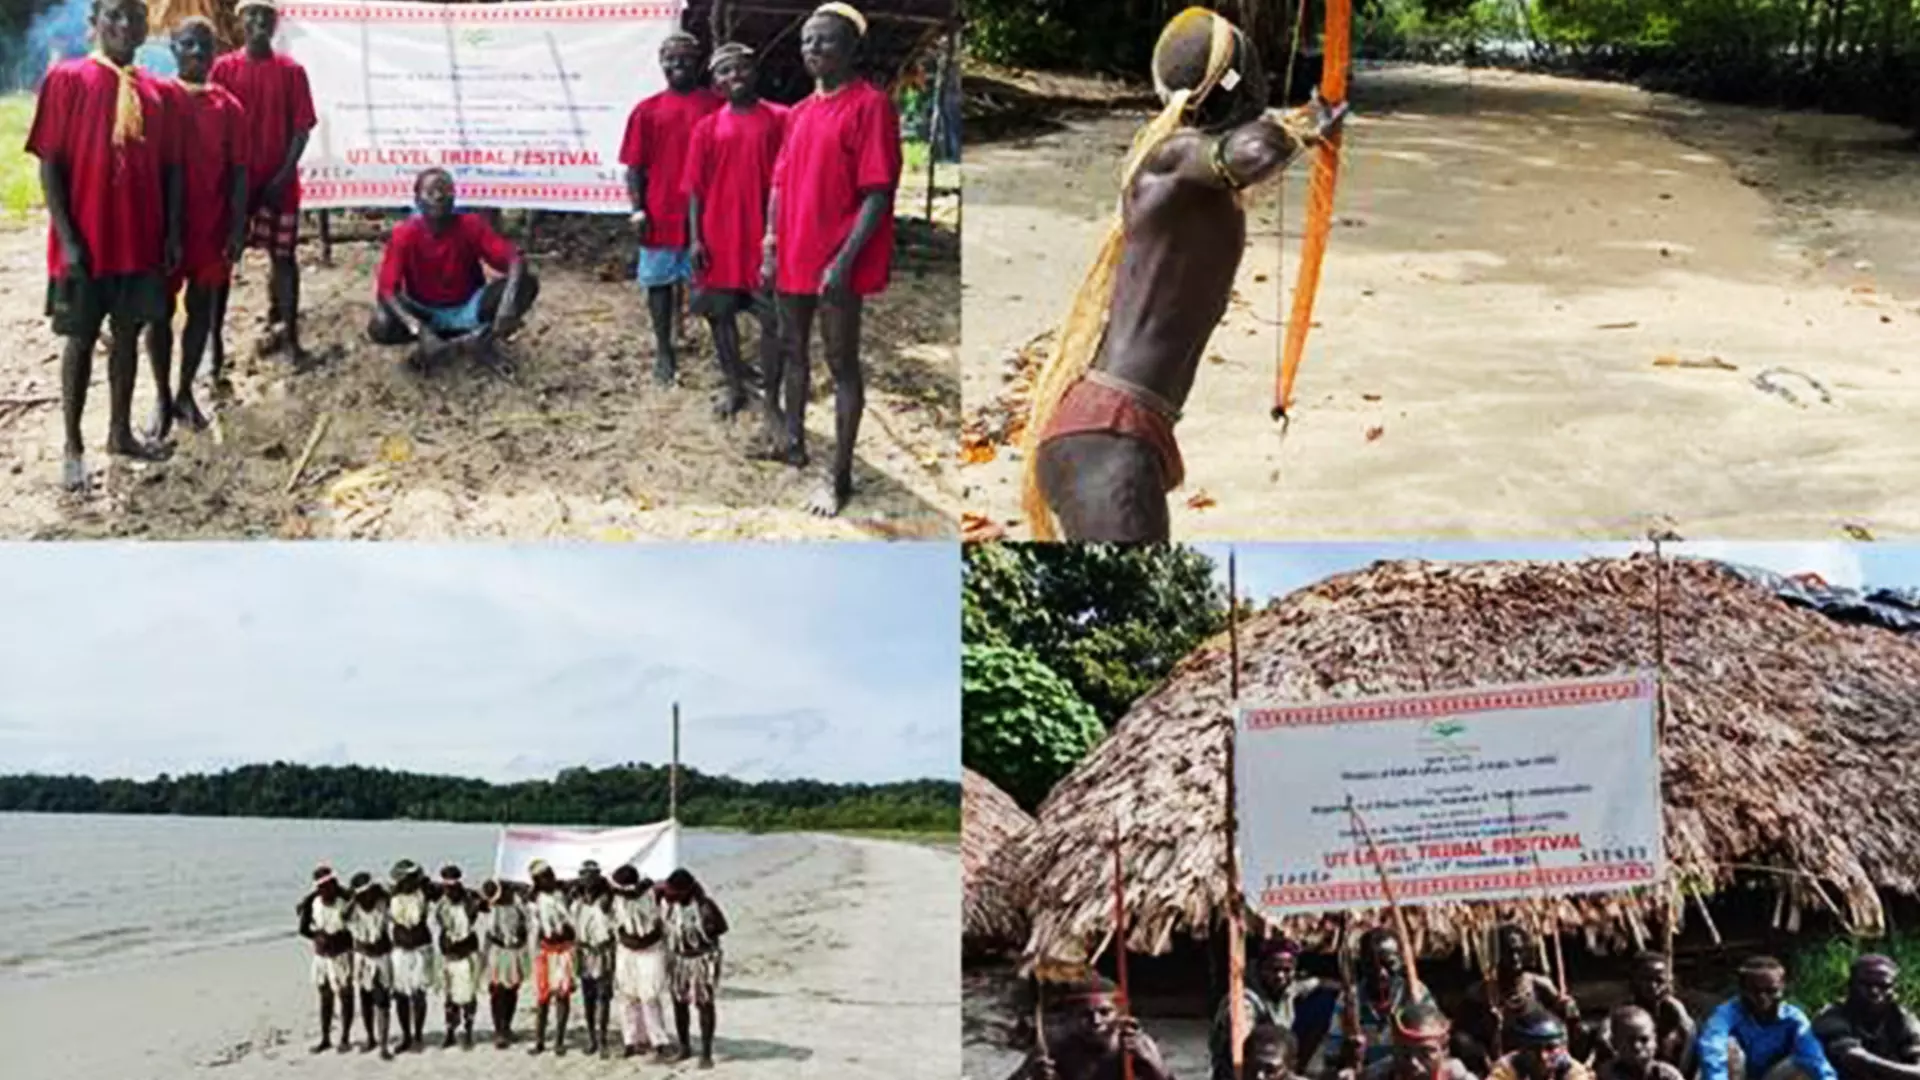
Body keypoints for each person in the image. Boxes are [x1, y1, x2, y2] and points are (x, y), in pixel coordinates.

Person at [1017, 6, 1347, 541]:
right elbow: (1255, 149)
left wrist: (1302, 123)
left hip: (1112, 435)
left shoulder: (1185, 168)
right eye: (1251, 68)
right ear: (1236, 79)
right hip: (1108, 440)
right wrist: (1304, 129)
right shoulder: (1176, 157)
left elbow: (1244, 150)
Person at [27, 0, 182, 491]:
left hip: (139, 242)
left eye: (134, 17)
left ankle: (119, 433)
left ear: (145, 27)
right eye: (114, 15)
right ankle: (72, 447)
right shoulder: (67, 79)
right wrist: (69, 241)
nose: (124, 25)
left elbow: (172, 170)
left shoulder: (156, 93)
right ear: (94, 23)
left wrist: (172, 233)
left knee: (130, 334)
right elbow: (50, 163)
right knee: (80, 339)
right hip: (87, 244)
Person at [763, 1, 902, 517]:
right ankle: (793, 442)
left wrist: (842, 263)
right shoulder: (798, 113)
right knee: (792, 350)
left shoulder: (870, 106)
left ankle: (838, 475)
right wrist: (771, 244)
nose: (812, 49)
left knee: (841, 363)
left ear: (851, 47)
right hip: (793, 255)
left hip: (836, 261)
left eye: (824, 40)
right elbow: (779, 182)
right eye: (806, 41)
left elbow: (877, 192)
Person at [146, 15, 245, 442]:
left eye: (205, 47)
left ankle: (186, 390)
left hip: (211, 228)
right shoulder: (157, 98)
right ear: (173, 48)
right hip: (163, 230)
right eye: (188, 45)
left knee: (202, 311)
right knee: (159, 314)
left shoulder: (229, 107)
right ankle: (161, 395)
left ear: (216, 52)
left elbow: (239, 173)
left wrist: (238, 227)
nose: (198, 54)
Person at [684, 41, 788, 421]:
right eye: (725, 71)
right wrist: (695, 238)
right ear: (716, 83)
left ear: (754, 70)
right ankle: (734, 385)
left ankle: (773, 396)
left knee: (773, 319)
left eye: (741, 67)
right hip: (719, 237)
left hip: (765, 238)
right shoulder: (706, 128)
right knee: (720, 315)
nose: (735, 76)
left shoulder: (781, 118)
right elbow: (695, 188)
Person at [209, 0, 316, 363]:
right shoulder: (222, 70)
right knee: (221, 262)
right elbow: (212, 126)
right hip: (232, 186)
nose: (258, 22)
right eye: (251, 15)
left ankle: (292, 339)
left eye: (265, 16)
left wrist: (284, 174)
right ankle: (214, 344)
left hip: (279, 182)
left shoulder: (291, 71)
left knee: (283, 257)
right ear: (240, 22)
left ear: (275, 24)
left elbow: (302, 129)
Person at [619, 31, 721, 385]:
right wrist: (637, 210)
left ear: (699, 62)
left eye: (686, 58)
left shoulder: (717, 106)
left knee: (709, 288)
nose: (678, 65)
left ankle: (724, 354)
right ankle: (665, 349)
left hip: (706, 219)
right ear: (662, 64)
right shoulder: (646, 111)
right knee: (658, 285)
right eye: (671, 59)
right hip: (660, 214)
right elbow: (633, 167)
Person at [366, 167, 538, 368]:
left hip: (468, 307)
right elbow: (387, 290)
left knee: (526, 285)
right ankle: (447, 342)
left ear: (454, 196)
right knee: (381, 323)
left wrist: (507, 305)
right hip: (425, 313)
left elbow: (514, 258)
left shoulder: (471, 225)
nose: (439, 196)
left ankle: (478, 342)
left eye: (445, 190)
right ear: (417, 200)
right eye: (430, 192)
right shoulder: (404, 235)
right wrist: (418, 328)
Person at [1004, 973, 1173, 1080]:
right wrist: (1028, 1075)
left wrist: (1155, 1066)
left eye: (1105, 1012)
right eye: (1085, 1014)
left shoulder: (1137, 1046)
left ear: (1120, 1014)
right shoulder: (1053, 1047)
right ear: (1071, 1017)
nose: (1096, 1020)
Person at [1459, 925, 1581, 1073]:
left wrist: (1568, 1009)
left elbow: (1560, 1023)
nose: (1515, 958)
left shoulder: (1539, 985)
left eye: (1519, 952)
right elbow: (1460, 1033)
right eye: (1509, 953)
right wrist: (1480, 1052)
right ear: (1496, 954)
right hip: (1497, 1063)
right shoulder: (1481, 993)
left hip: (1537, 1060)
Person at [1318, 929, 1437, 1074]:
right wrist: (1349, 1053)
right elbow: (1332, 1053)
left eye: (1389, 964)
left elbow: (1434, 1045)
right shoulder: (1350, 999)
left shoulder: (1414, 993)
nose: (1381, 973)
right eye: (1371, 965)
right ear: (1361, 965)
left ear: (1401, 962)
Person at [1697, 957, 1837, 1080]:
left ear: (1783, 989)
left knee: (1804, 1064)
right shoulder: (1727, 1014)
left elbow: (1815, 1059)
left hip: (1772, 1076)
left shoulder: (1793, 1019)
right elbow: (1712, 1049)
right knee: (1729, 1049)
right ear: (1742, 989)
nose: (1763, 998)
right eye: (1755, 991)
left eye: (1771, 991)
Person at [1213, 937, 1324, 1080]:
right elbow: (1244, 1042)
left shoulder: (1285, 990)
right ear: (1261, 968)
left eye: (1286, 970)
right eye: (1274, 969)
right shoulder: (1245, 1001)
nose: (1280, 976)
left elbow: (1309, 984)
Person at [662, 868, 730, 1067]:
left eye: (675, 892)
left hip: (702, 960)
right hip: (679, 960)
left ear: (687, 891)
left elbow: (721, 928)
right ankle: (684, 1047)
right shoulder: (670, 906)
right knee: (679, 1003)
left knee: (704, 1004)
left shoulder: (705, 906)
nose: (670, 895)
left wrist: (703, 934)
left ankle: (706, 1053)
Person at [1813, 955, 1920, 1080]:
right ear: (1850, 986)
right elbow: (1854, 1058)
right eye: (1866, 984)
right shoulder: (1831, 1017)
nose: (1874, 991)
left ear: (1894, 990)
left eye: (1883, 986)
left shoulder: (1902, 1018)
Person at [1597, 954, 1696, 1076]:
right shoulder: (1623, 1008)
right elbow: (1603, 1037)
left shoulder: (1673, 1010)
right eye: (1646, 979)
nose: (1653, 986)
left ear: (1668, 982)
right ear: (1634, 980)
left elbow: (1690, 1037)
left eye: (1659, 981)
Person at [613, 866, 673, 1059]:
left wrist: (645, 886)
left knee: (650, 995)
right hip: (626, 951)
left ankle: (659, 1040)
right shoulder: (615, 896)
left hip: (651, 950)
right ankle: (631, 1040)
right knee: (627, 996)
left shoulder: (654, 893)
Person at [295, 864, 355, 1053]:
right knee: (325, 996)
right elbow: (303, 929)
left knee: (345, 995)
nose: (327, 889)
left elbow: (357, 899)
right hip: (321, 957)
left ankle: (345, 1037)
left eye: (331, 885)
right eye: (323, 887)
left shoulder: (344, 899)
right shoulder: (313, 903)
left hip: (342, 955)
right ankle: (326, 1038)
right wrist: (318, 937)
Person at [527, 859, 578, 1055]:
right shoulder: (535, 899)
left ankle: (559, 1040)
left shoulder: (563, 893)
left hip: (564, 950)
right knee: (542, 998)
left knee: (563, 996)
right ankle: (539, 1041)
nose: (551, 878)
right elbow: (535, 926)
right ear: (538, 881)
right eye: (545, 876)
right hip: (545, 952)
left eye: (551, 874)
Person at [434, 864, 485, 1050]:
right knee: (450, 997)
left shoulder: (470, 899)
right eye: (446, 886)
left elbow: (486, 905)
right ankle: (450, 1032)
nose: (449, 890)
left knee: (469, 995)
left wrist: (484, 896)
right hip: (448, 955)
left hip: (467, 953)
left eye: (452, 886)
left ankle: (469, 1031)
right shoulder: (441, 900)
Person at [1355, 1003, 1476, 1080]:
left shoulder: (1457, 1076)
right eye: (1405, 1053)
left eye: (1425, 1053)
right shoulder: (1379, 1074)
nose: (1413, 1062)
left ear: (1443, 1051)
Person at [386, 859, 433, 1052]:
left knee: (419, 994)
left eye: (411, 879)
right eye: (404, 879)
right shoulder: (389, 895)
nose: (408, 883)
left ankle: (418, 1035)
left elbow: (456, 889)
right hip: (399, 951)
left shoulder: (426, 892)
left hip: (421, 949)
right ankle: (406, 1036)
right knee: (400, 995)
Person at [346, 871, 394, 1058]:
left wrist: (380, 890)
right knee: (365, 999)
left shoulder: (383, 903)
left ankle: (383, 1044)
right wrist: (354, 898)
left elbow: (394, 901)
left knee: (382, 1001)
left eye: (369, 892)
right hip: (362, 959)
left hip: (381, 959)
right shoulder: (354, 907)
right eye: (362, 894)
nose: (367, 897)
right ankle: (371, 1038)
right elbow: (344, 916)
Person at [574, 862, 618, 1056]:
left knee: (603, 997)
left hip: (603, 953)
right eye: (584, 876)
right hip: (584, 953)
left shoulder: (608, 900)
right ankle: (592, 1037)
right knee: (588, 998)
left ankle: (602, 1039)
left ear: (598, 878)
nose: (588, 880)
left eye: (592, 876)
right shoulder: (577, 900)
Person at [482, 878, 531, 1048]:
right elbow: (489, 935)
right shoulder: (493, 908)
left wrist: (521, 940)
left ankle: (507, 1027)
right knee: (498, 991)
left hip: (513, 952)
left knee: (511, 990)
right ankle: (499, 1030)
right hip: (498, 952)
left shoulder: (516, 905)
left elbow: (525, 925)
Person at [1488, 1010, 1594, 1080]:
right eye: (1534, 1049)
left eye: (1550, 1048)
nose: (1543, 1056)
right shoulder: (1507, 1068)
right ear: (1522, 1049)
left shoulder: (1573, 1071)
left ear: (1562, 1048)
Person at [1604, 1007, 1688, 1080]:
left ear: (1655, 1041)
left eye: (1644, 1040)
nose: (1637, 1046)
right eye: (1629, 1041)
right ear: (1614, 1043)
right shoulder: (1607, 1073)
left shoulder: (1667, 1075)